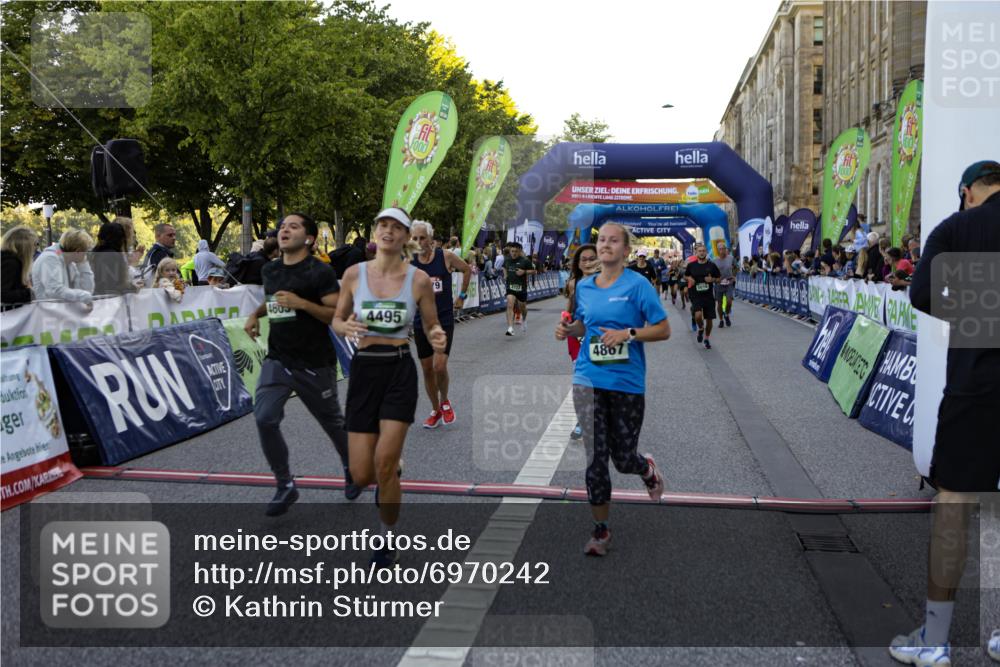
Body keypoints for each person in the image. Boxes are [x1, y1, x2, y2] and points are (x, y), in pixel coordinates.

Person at [890, 160, 1000, 666]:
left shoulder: (959, 226)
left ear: (967, 192)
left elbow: (923, 293)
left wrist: (982, 310)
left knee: (955, 500)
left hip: (978, 380)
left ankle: (935, 641)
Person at [332, 207, 446, 567]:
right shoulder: (353, 274)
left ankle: (386, 539)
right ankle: (391, 470)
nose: (388, 231)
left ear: (406, 237)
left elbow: (430, 324)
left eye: (396, 227)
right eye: (383, 225)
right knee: (363, 473)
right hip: (364, 370)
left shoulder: (418, 280)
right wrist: (343, 327)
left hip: (398, 369)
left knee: (381, 464)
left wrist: (437, 334)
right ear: (375, 232)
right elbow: (337, 318)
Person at [554, 222, 669, 556]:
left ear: (625, 250)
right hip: (588, 380)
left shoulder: (639, 285)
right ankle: (600, 530)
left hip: (627, 384)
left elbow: (662, 329)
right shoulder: (585, 288)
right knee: (595, 457)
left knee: (622, 458)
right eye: (602, 240)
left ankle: (645, 468)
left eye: (613, 241)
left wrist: (628, 335)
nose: (605, 245)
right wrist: (568, 330)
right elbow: (581, 326)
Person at [243, 212, 356, 516]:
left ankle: (352, 468)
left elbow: (336, 315)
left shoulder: (318, 272)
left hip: (314, 362)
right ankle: (285, 484)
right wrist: (255, 315)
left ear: (308, 238)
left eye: (293, 227)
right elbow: (275, 300)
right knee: (265, 418)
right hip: (278, 359)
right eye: (282, 226)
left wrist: (303, 304)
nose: (284, 230)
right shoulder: (270, 270)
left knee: (333, 423)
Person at [409, 220, 471, 429]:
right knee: (427, 369)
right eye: (414, 238)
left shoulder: (445, 256)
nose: (418, 242)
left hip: (443, 319)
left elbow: (467, 269)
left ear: (431, 239)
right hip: (420, 321)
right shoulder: (409, 260)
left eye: (422, 238)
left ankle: (445, 400)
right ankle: (435, 409)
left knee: (439, 366)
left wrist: (462, 295)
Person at [563, 243, 600, 440]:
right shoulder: (573, 283)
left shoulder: (606, 281)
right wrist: (565, 320)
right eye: (583, 259)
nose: (587, 263)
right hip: (576, 335)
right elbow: (570, 308)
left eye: (591, 258)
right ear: (577, 263)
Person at [31, 229, 95, 305]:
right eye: (86, 251)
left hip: (65, 311)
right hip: (48, 312)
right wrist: (83, 295)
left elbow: (87, 290)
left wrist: (83, 265)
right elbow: (54, 291)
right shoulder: (49, 259)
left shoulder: (71, 263)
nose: (86, 255)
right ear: (77, 251)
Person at [685, 243, 720, 349]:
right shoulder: (691, 265)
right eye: (700, 251)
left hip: (708, 295)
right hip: (696, 294)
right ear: (696, 252)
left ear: (706, 252)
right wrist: (689, 279)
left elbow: (719, 278)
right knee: (698, 315)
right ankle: (700, 328)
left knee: (709, 320)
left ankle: (706, 338)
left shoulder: (711, 265)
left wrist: (712, 280)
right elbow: (686, 275)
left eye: (703, 251)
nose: (702, 253)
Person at [91, 221, 136, 296]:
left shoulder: (97, 253)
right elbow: (110, 285)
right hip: (109, 301)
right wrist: (132, 288)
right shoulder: (111, 256)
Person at [503, 242, 535, 336]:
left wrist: (524, 272)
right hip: (510, 286)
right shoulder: (507, 260)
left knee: (523, 308)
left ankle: (524, 319)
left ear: (519, 251)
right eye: (512, 251)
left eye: (516, 251)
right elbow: (504, 267)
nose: (514, 253)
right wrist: (505, 275)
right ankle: (510, 328)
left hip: (521, 288)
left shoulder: (525, 261)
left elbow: (534, 271)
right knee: (510, 304)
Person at [1, 226, 37, 310]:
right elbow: (3, 294)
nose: (35, 248)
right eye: (34, 244)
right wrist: (29, 293)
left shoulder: (8, 260)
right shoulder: (10, 263)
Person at [712, 244, 736, 327]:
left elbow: (737, 267)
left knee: (729, 301)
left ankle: (726, 314)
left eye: (724, 248)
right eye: (720, 249)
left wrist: (734, 276)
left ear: (726, 249)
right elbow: (711, 272)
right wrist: (715, 279)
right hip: (719, 284)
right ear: (718, 250)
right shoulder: (714, 260)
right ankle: (721, 320)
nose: (722, 250)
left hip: (729, 282)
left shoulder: (731, 258)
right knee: (719, 303)